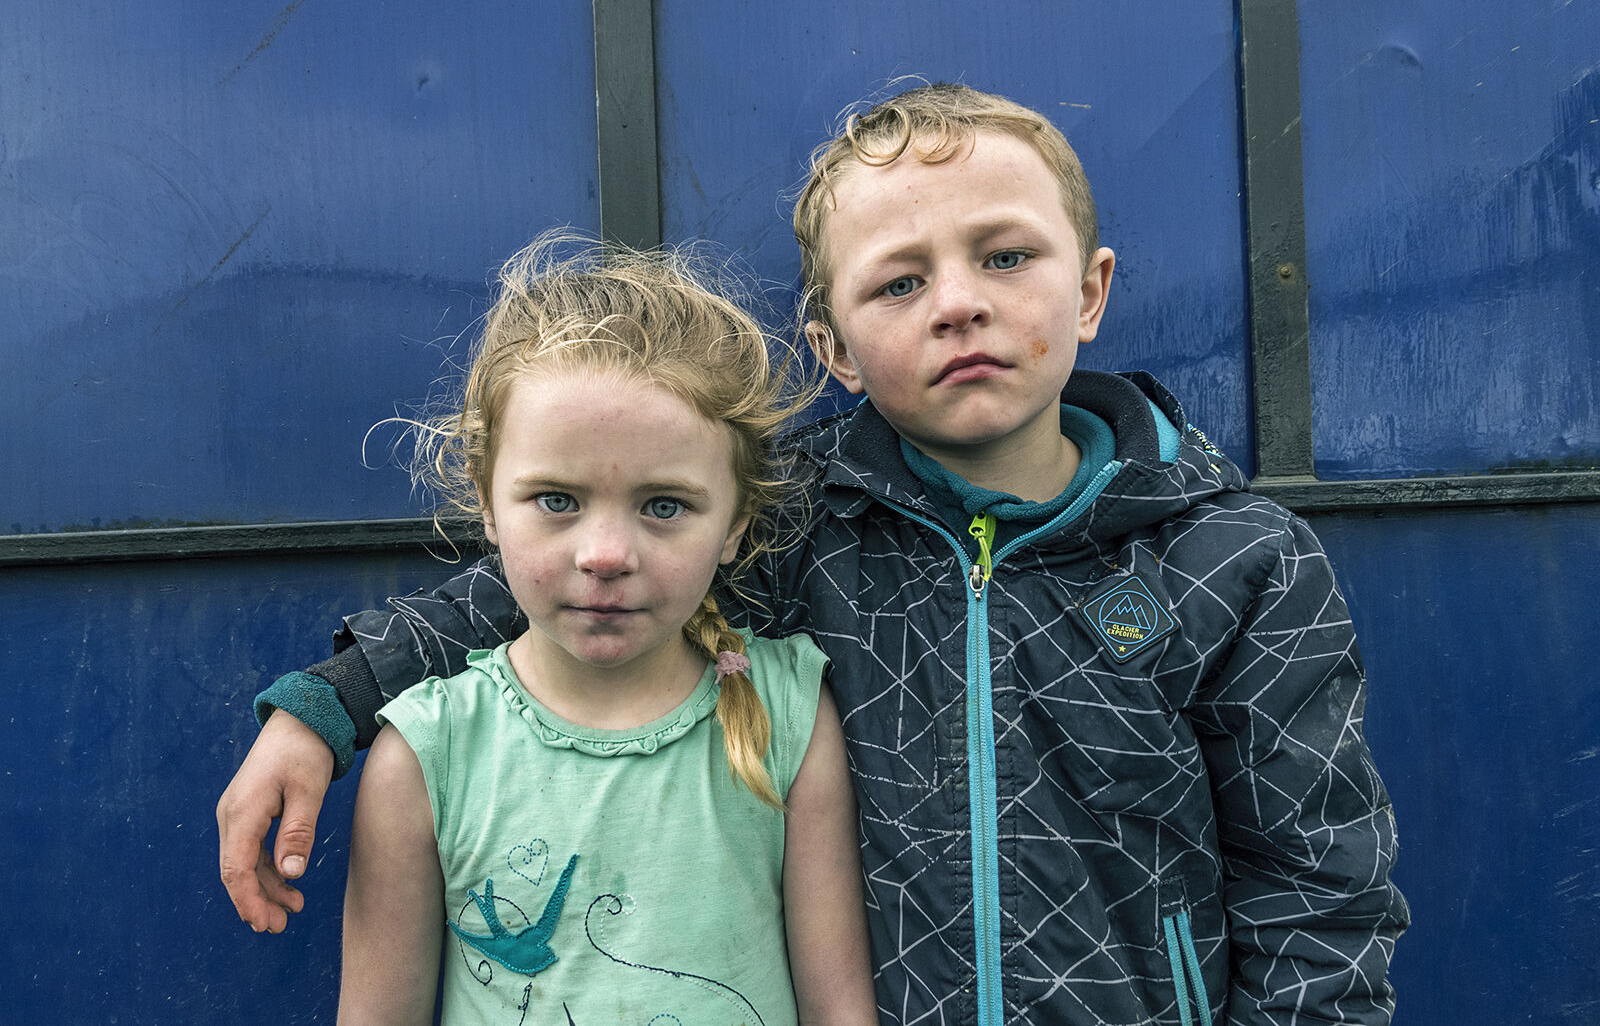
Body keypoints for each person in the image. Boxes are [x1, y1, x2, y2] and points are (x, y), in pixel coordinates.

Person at [221, 83, 1408, 1024]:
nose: (957, 303)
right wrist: (329, 706)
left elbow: (1319, 891)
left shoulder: (1237, 558)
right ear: (832, 347)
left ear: (1090, 289)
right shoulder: (795, 525)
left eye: (1005, 257)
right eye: (900, 281)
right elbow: (559, 579)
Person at [334, 238, 876, 1023]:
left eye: (665, 505)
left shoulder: (787, 715)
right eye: (557, 499)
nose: (607, 555)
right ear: (486, 501)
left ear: (736, 523)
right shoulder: (427, 754)